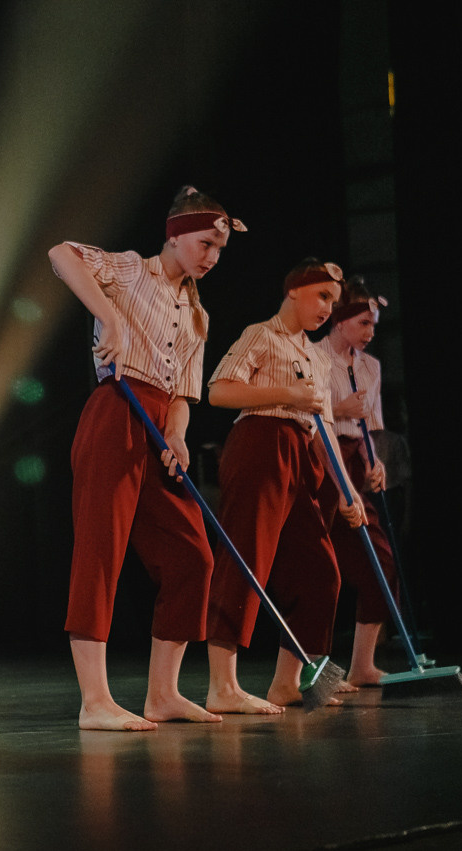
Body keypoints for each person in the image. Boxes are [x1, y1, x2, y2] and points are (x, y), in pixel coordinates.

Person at [49, 185, 246, 731]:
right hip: (116, 407)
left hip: (160, 426)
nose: (211, 257)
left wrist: (178, 436)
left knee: (193, 557)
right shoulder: (133, 271)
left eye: (219, 250)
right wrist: (108, 319)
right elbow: (62, 254)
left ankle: (163, 693)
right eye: (205, 243)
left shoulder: (198, 315)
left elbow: (183, 391)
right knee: (101, 549)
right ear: (177, 234)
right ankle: (95, 702)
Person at [204, 258, 365, 714]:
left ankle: (286, 683)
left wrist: (347, 490)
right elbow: (219, 390)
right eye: (322, 296)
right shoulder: (261, 335)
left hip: (301, 455)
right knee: (246, 557)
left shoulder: (316, 355)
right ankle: (222, 685)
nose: (327, 309)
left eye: (333, 302)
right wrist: (285, 394)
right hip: (259, 444)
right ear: (294, 290)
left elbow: (325, 430)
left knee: (321, 571)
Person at [315, 276, 399, 687]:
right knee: (321, 566)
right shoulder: (314, 357)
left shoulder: (371, 366)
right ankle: (311, 672)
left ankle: (362, 664)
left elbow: (371, 427)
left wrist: (375, 463)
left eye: (374, 325)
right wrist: (337, 405)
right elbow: (309, 419)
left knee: (381, 562)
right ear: (341, 320)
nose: (370, 332)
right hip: (322, 462)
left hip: (355, 460)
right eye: (364, 322)